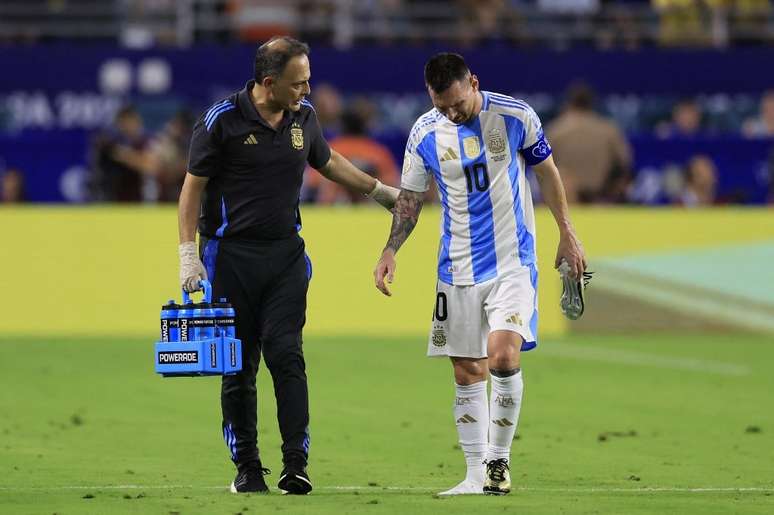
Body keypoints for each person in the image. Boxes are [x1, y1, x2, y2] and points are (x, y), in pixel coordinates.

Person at [177, 36, 398, 496]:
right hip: (229, 258)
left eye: (309, 81)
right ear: (268, 82)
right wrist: (187, 254)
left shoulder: (304, 118)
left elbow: (328, 160)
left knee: (287, 355)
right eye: (299, 83)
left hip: (284, 256)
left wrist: (379, 193)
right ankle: (247, 467)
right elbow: (191, 189)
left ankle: (295, 464)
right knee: (238, 366)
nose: (307, 91)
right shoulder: (221, 121)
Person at [373, 53, 586, 496]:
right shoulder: (425, 132)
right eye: (441, 104)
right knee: (467, 370)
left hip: (513, 260)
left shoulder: (514, 116)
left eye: (456, 102)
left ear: (473, 82)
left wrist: (567, 233)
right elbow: (411, 199)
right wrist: (391, 249)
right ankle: (474, 475)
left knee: (503, 356)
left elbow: (546, 172)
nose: (451, 112)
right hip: (457, 267)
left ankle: (498, 464)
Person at [546, 82, 632, 203]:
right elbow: (625, 164)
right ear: (592, 104)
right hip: (601, 200)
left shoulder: (556, 130)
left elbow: (542, 168)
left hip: (567, 200)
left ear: (569, 103)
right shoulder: (609, 130)